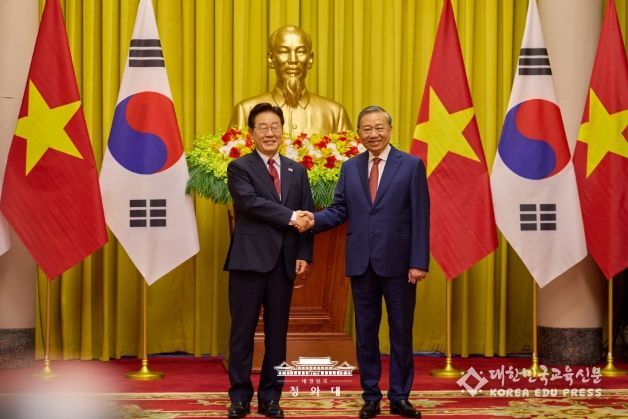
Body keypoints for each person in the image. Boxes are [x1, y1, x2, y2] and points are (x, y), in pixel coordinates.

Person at [296, 106, 429, 418]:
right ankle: (370, 396)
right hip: (361, 264)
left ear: (390, 129)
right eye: (367, 129)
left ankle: (399, 396)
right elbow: (339, 210)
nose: (373, 134)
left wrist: (418, 261)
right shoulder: (350, 168)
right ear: (358, 134)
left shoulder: (411, 165)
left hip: (400, 265)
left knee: (400, 332)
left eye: (379, 127)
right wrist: (313, 219)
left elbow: (421, 216)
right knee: (366, 334)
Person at [224, 102, 314, 418]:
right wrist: (290, 217)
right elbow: (250, 203)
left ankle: (271, 397)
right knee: (242, 332)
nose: (270, 133)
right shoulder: (239, 167)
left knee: (277, 335)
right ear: (251, 133)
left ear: (282, 131)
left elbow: (307, 212)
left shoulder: (297, 171)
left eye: (275, 126)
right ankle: (239, 397)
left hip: (283, 264)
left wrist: (304, 253)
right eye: (262, 127)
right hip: (248, 261)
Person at [229, 25, 352, 136]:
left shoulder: (335, 113)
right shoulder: (246, 111)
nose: (293, 60)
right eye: (284, 52)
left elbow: (350, 153)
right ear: (271, 59)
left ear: (310, 59)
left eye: (301, 52)